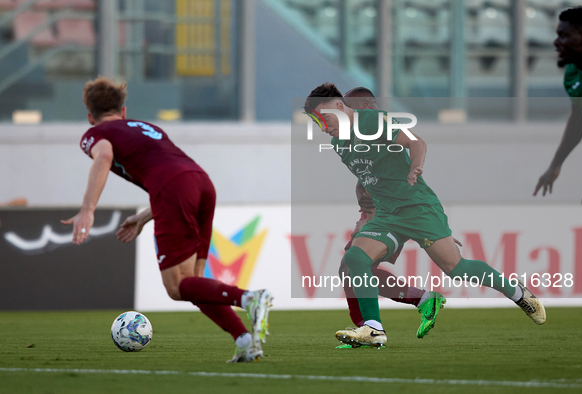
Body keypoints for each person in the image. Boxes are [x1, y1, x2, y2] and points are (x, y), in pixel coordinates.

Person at [304, 83, 546, 348]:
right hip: (387, 214)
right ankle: (373, 329)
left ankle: (517, 293)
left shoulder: (372, 121)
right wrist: (368, 216)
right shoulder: (339, 143)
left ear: (340, 107)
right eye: (317, 123)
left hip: (417, 207)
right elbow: (370, 178)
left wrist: (415, 167)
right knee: (355, 258)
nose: (323, 128)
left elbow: (416, 142)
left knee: (456, 268)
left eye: (324, 118)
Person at [61, 77, 273, 363]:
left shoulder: (95, 134)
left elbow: (104, 157)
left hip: (174, 189)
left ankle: (249, 298)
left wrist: (87, 209)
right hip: (201, 183)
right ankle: (245, 341)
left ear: (90, 116)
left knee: (176, 287)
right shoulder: (148, 127)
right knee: (194, 282)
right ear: (124, 111)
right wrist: (145, 215)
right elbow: (173, 172)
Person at [337, 87, 449, 343]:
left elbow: (414, 152)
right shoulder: (360, 134)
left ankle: (370, 326)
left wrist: (432, 224)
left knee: (352, 265)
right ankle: (373, 323)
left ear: (368, 106)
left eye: (352, 109)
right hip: (373, 210)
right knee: (351, 269)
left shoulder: (380, 129)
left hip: (384, 211)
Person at [534, 6, 582, 208]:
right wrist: (556, 163)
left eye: (563, 36)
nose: (556, 42)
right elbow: (579, 118)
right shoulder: (573, 73)